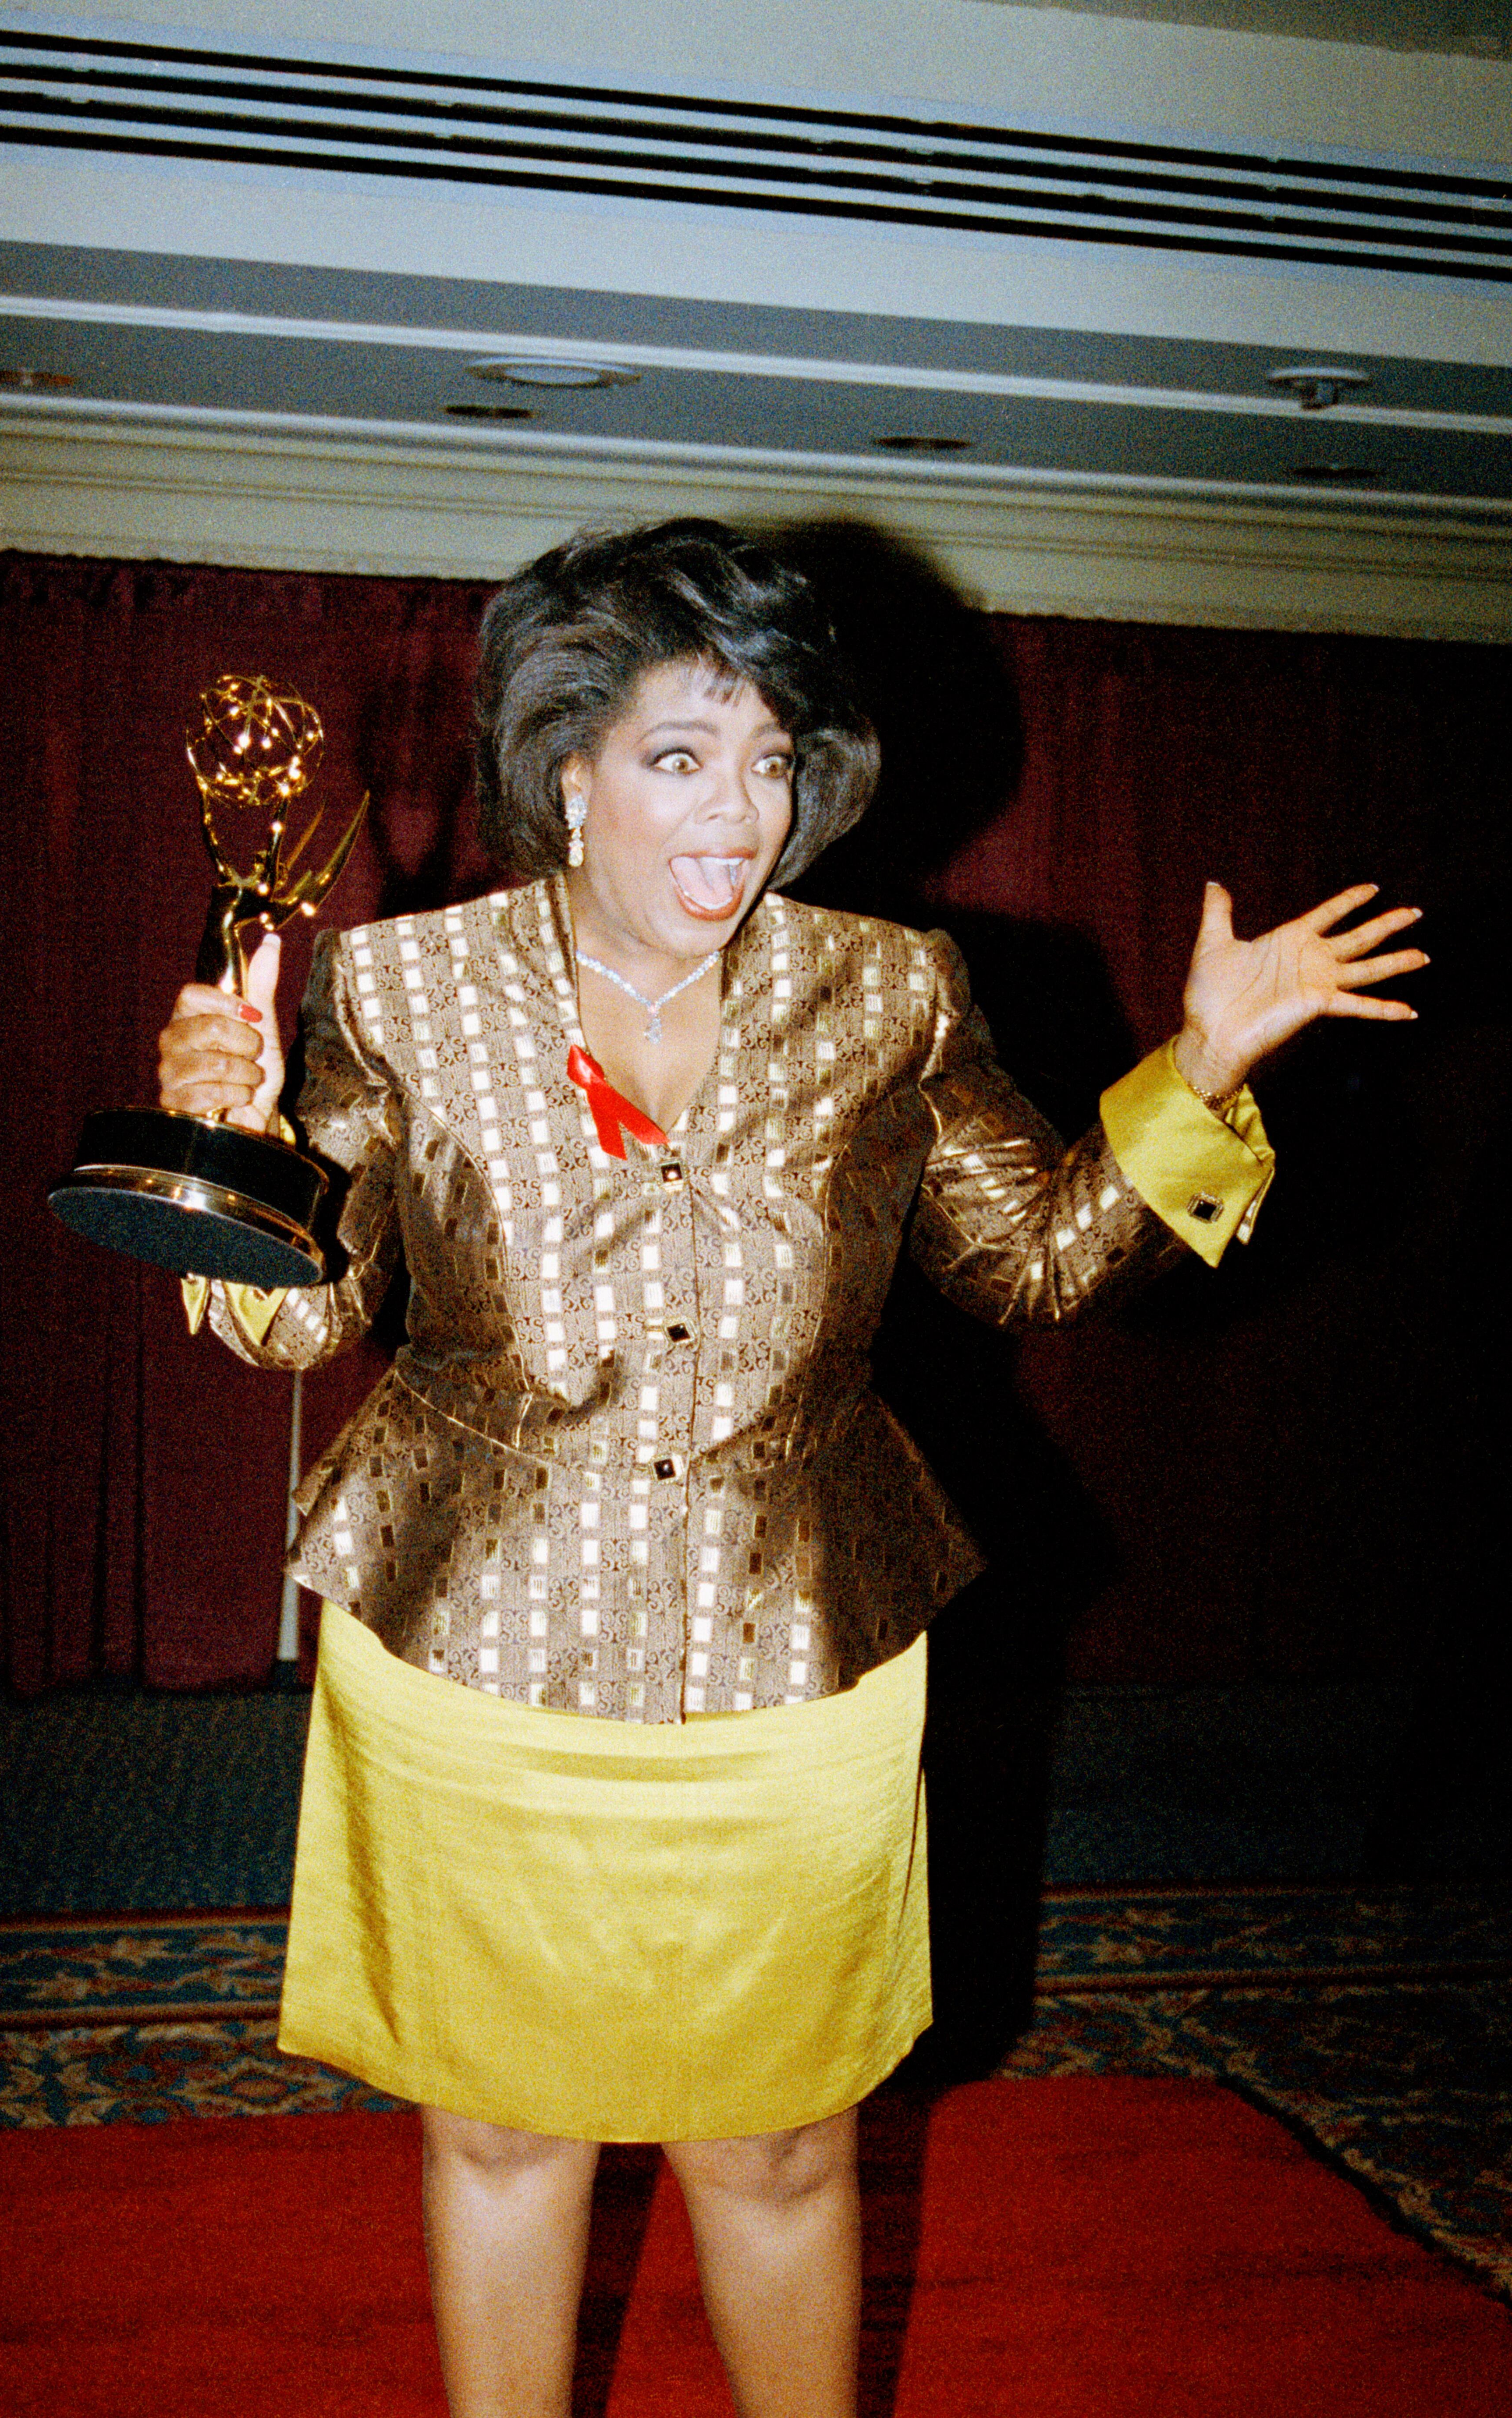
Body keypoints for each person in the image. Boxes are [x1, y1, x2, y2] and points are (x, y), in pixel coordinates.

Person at [157, 520, 1425, 2418]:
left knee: (781, 2144)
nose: (738, 813)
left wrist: (1205, 1063)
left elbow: (1039, 1257)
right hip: (473, 1661)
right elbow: (294, 1327)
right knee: (506, 2140)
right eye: (682, 757)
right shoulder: (407, 997)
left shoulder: (887, 994)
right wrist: (231, 1153)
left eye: (773, 761)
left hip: (797, 1658)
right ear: (568, 770)